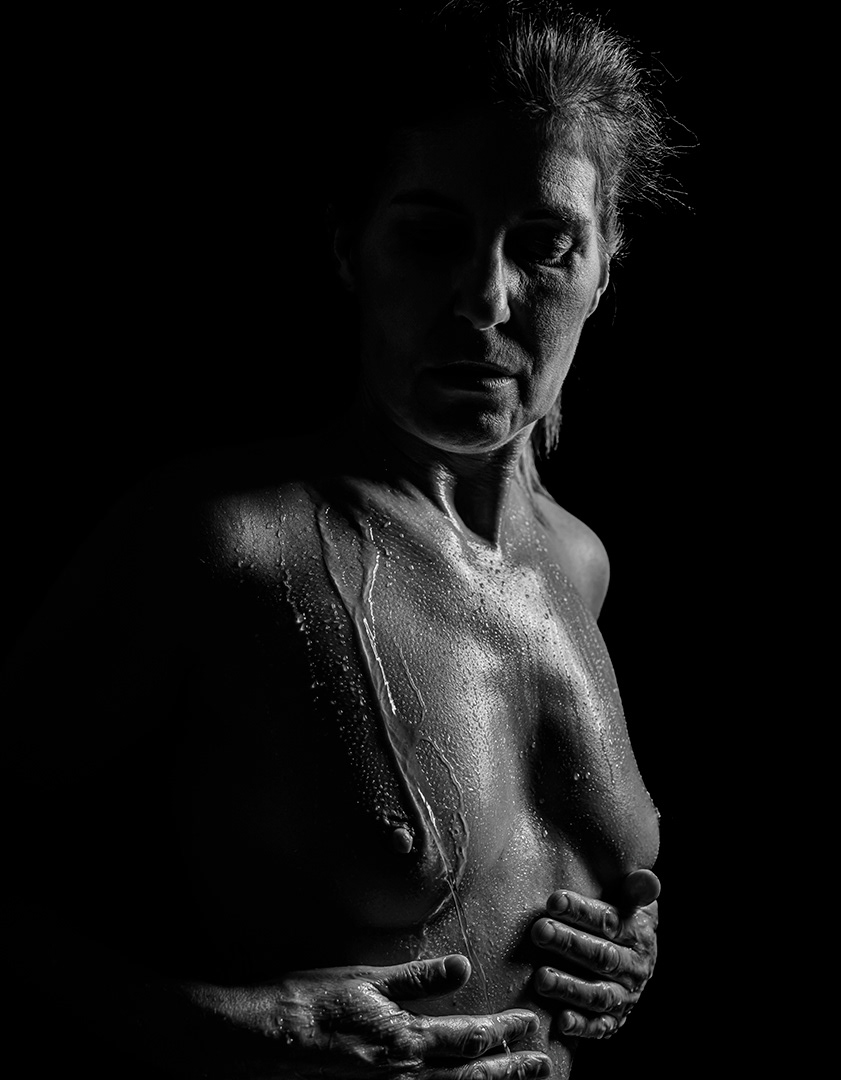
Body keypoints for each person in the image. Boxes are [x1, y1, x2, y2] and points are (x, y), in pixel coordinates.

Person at [7, 3, 679, 1076]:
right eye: (431, 235)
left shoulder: (578, 562)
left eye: (546, 246)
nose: (486, 299)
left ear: (605, 265)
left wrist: (624, 949)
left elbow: (537, 887)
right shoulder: (232, 544)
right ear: (349, 247)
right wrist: (225, 1026)